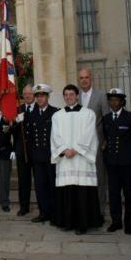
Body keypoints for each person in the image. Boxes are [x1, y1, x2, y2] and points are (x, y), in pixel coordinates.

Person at [51, 84, 103, 234]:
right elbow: (55, 136)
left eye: (71, 94)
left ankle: (83, 224)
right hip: (66, 160)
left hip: (81, 161)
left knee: (82, 193)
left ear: (77, 95)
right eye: (66, 94)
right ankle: (67, 222)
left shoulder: (89, 114)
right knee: (67, 191)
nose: (68, 97)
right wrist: (64, 150)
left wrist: (76, 149)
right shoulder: (57, 115)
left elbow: (90, 135)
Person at [103, 88, 131, 235]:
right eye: (111, 100)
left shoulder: (130, 117)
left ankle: (128, 223)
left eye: (116, 100)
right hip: (112, 164)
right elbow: (107, 139)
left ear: (122, 102)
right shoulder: (106, 118)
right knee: (113, 194)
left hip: (127, 164)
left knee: (128, 194)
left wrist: (130, 156)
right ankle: (116, 222)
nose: (113, 103)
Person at [78, 69, 110, 216]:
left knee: (99, 178)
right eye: (81, 78)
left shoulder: (101, 96)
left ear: (91, 79)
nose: (84, 80)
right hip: (79, 147)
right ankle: (86, 210)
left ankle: (100, 211)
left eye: (86, 77)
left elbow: (107, 120)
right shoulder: (75, 96)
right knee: (84, 179)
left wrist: (105, 143)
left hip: (96, 145)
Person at [28, 84, 59, 223]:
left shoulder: (55, 113)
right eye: (37, 96)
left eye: (42, 96)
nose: (40, 99)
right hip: (37, 156)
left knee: (52, 186)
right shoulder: (31, 114)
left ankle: (53, 214)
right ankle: (43, 213)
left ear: (48, 97)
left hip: (51, 156)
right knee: (40, 187)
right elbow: (29, 137)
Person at [14, 85, 36, 216]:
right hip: (22, 151)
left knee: (39, 181)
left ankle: (44, 208)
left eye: (30, 94)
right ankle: (24, 207)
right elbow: (11, 131)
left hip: (36, 151)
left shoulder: (39, 109)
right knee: (23, 180)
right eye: (25, 94)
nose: (27, 96)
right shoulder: (18, 109)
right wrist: (16, 121)